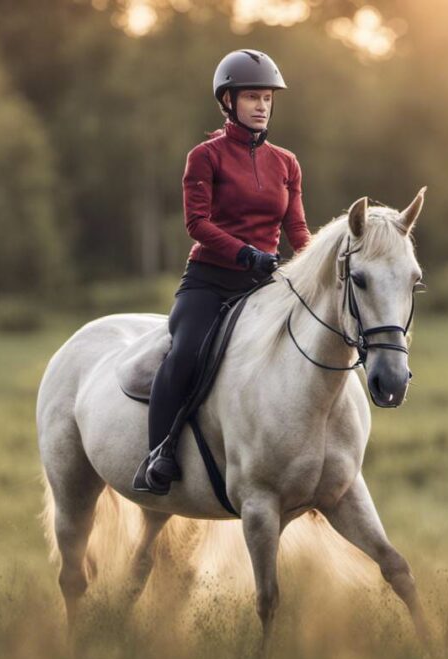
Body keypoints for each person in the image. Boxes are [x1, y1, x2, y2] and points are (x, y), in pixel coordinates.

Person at [138, 49, 313, 496]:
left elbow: (295, 228)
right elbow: (197, 224)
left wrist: (312, 268)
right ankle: (158, 453)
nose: (261, 106)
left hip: (265, 283)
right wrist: (245, 255)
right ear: (228, 101)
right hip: (211, 280)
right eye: (252, 96)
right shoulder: (205, 157)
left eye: (267, 98)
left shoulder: (287, 163)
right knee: (186, 354)